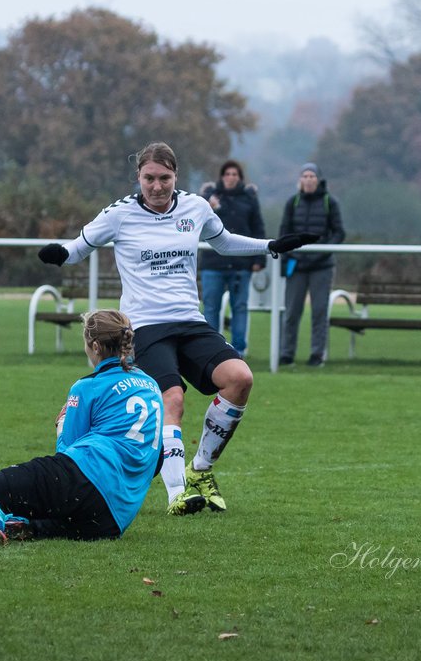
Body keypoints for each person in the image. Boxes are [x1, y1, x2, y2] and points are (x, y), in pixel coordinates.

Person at [37, 142, 316, 516]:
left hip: (190, 320)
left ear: (176, 177)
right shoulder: (118, 214)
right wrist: (58, 254)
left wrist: (272, 246)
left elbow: (224, 242)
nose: (157, 186)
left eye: (164, 178)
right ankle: (176, 495)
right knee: (173, 400)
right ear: (138, 178)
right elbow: (77, 249)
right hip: (146, 326)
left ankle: (200, 470)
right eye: (149, 178)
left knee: (240, 378)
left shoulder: (196, 207)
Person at [0, 310, 163, 545]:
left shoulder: (86, 386)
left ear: (95, 346)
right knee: (44, 522)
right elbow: (157, 460)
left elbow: (66, 450)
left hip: (83, 479)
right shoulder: (152, 386)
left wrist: (61, 424)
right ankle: (19, 527)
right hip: (112, 520)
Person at [278, 162, 346, 367]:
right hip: (296, 265)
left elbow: (339, 232)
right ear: (300, 180)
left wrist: (322, 251)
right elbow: (284, 232)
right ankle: (286, 354)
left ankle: (317, 355)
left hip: (321, 266)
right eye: (305, 176)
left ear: (318, 179)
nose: (308, 180)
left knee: (319, 311)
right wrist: (288, 256)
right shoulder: (293, 202)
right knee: (291, 312)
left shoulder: (329, 202)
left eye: (312, 176)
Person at [198, 160, 266, 358]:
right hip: (213, 262)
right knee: (210, 307)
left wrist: (259, 259)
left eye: (234, 174)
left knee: (240, 307)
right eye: (227, 174)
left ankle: (239, 351)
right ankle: (210, 349)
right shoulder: (207, 198)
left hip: (240, 263)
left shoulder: (249, 199)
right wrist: (210, 207)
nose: (231, 177)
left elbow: (257, 228)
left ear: (240, 178)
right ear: (222, 176)